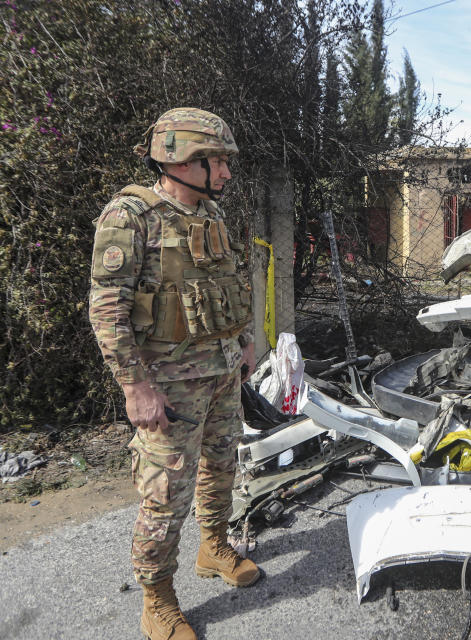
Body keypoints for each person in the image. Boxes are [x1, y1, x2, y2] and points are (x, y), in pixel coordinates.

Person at [88, 108, 259, 640]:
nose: (226, 173)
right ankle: (157, 597)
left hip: (223, 370)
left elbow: (229, 282)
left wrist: (245, 340)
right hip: (168, 385)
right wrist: (133, 384)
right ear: (180, 158)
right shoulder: (130, 216)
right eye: (217, 162)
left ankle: (214, 545)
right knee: (165, 493)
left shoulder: (211, 214)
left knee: (221, 466)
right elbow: (107, 309)